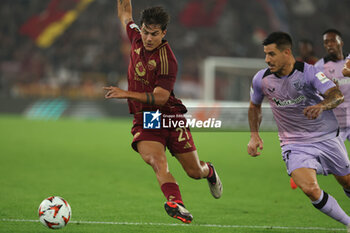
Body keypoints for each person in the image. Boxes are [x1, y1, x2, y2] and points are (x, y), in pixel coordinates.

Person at [103, 0, 222, 224]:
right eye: (146, 32)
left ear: (164, 33)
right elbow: (125, 13)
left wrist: (126, 94)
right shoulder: (136, 37)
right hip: (147, 118)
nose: (148, 38)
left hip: (169, 116)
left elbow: (160, 98)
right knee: (156, 160)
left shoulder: (167, 60)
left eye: (154, 34)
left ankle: (209, 171)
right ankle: (176, 203)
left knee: (194, 172)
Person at [248, 31, 350, 231]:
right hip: (294, 143)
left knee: (346, 181)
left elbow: (336, 95)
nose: (267, 59)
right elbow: (254, 107)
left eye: (271, 54)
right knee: (310, 190)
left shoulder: (310, 72)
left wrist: (322, 106)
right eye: (265, 54)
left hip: (326, 137)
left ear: (286, 52)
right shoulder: (261, 79)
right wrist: (254, 135)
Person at [315, 29, 350, 142]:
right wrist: (328, 91)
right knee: (334, 159)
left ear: (341, 42)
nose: (329, 44)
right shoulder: (320, 67)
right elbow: (315, 93)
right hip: (335, 123)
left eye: (332, 41)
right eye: (326, 42)